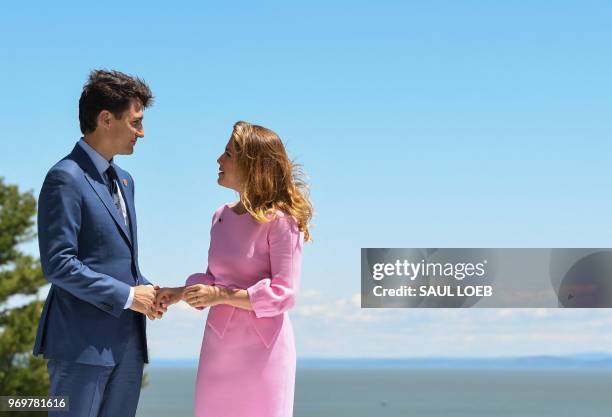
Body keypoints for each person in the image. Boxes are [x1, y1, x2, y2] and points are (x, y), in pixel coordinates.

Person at [33, 69, 166, 417]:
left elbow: (114, 260)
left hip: (128, 346)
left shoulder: (125, 180)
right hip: (81, 347)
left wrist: (147, 291)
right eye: (136, 122)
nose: (142, 132)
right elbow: (58, 264)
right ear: (106, 118)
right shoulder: (64, 177)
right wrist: (127, 296)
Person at [157, 121, 313, 417]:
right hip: (219, 348)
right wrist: (178, 293)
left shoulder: (281, 221)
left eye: (228, 154)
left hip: (263, 353)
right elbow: (216, 277)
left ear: (252, 165)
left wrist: (219, 295)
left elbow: (284, 294)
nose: (219, 160)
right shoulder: (220, 217)